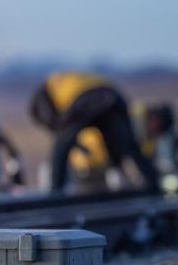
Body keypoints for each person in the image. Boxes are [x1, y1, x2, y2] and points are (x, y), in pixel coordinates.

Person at [29, 72, 159, 193]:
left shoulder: (42, 96)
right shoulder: (66, 81)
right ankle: (152, 186)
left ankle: (55, 190)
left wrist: (65, 137)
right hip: (114, 96)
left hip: (89, 98)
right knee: (127, 144)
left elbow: (56, 125)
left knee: (63, 141)